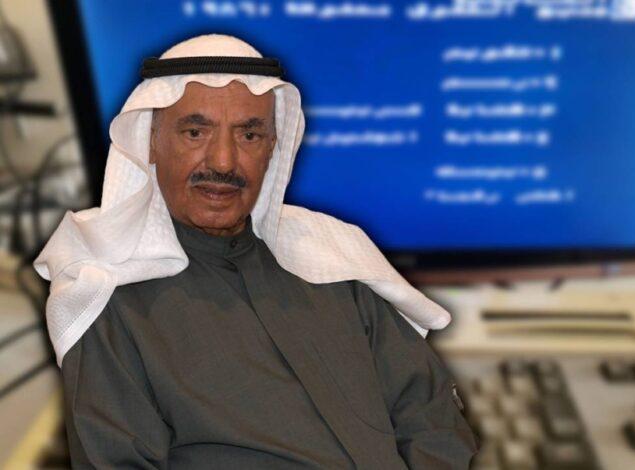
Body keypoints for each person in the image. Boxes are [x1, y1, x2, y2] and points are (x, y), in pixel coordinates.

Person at [33, 34, 479, 469]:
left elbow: (431, 418)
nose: (223, 162)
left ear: (272, 148)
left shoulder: (334, 259)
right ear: (151, 141)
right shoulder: (107, 295)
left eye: (249, 135)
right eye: (195, 132)